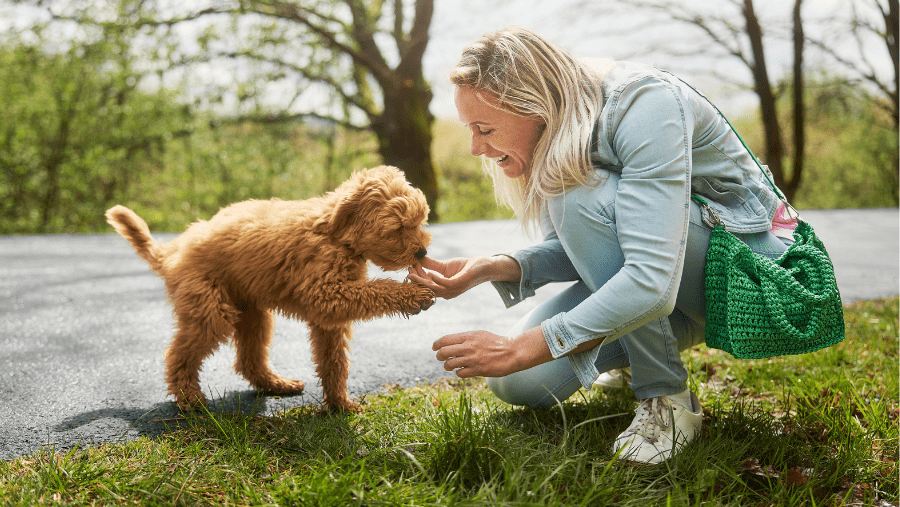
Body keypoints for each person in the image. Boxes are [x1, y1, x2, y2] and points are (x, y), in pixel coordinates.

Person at [407, 26, 797, 464]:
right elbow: (584, 247)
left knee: (573, 196)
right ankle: (637, 348)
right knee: (517, 383)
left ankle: (666, 399)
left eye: (484, 128)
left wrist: (520, 347)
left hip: (757, 275)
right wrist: (495, 266)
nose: (476, 147)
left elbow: (651, 279)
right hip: (677, 279)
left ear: (532, 107)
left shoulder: (646, 105)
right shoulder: (565, 129)